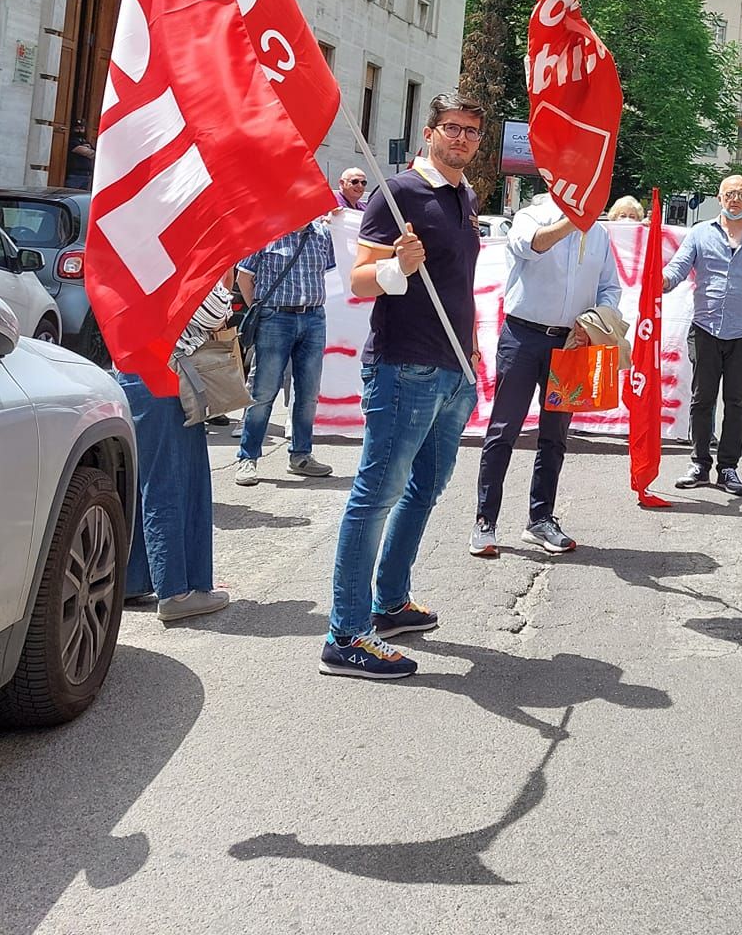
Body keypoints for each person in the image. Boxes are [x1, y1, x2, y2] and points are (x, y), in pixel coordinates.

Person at [320, 92, 486, 680]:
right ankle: (345, 633)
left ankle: (389, 604)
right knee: (375, 496)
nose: (462, 138)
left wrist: (469, 353)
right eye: (452, 127)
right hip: (403, 369)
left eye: (471, 130)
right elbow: (360, 281)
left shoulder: (463, 196)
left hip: (452, 372)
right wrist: (398, 267)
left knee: (424, 490)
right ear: (429, 131)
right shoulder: (399, 193)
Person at [472, 193, 623, 558]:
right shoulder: (531, 215)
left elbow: (610, 287)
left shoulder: (599, 234)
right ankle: (484, 521)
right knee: (503, 430)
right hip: (523, 336)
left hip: (570, 342)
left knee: (555, 436)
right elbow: (530, 245)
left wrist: (597, 319)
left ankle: (540, 520)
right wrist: (573, 220)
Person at [118, 279, 235, 623]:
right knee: (172, 484)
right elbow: (216, 311)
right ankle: (175, 591)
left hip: (135, 372)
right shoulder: (172, 259)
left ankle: (135, 579)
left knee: (147, 482)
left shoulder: (131, 255)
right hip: (167, 378)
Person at [663, 175, 742, 495]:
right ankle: (699, 463)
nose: (735, 199)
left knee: (736, 402)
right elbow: (677, 268)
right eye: (730, 194)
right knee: (702, 399)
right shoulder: (700, 233)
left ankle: (728, 468)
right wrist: (661, 281)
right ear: (719, 197)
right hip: (705, 329)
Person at [232, 218, 336, 486]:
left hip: (314, 318)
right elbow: (244, 275)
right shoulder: (265, 229)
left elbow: (324, 271)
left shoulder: (322, 233)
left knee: (308, 393)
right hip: (275, 318)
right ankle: (248, 458)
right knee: (263, 392)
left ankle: (301, 455)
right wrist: (259, 307)